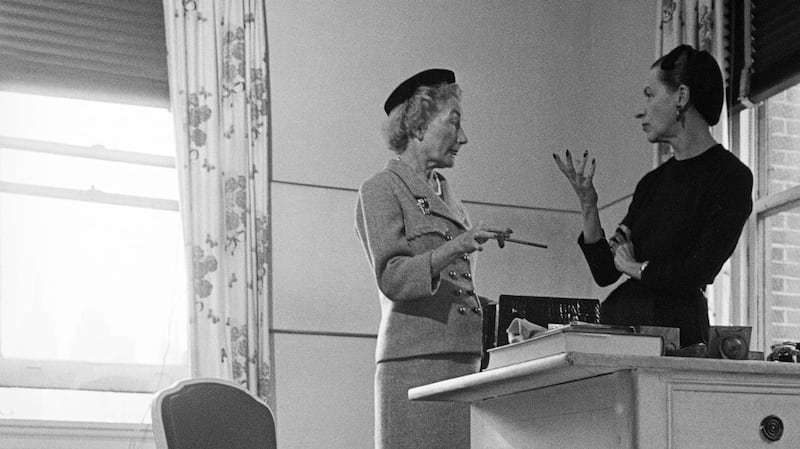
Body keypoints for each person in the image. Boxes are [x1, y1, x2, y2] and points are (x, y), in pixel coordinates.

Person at [554, 44, 753, 348]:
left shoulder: (731, 177)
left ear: (682, 97)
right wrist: (588, 205)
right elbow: (607, 271)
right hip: (621, 328)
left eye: (650, 94)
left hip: (678, 334)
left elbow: (699, 269)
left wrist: (636, 268)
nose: (641, 110)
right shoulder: (652, 182)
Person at [355, 68, 508, 449]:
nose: (464, 137)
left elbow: (457, 291)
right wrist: (458, 245)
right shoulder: (381, 189)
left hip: (465, 363)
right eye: (453, 122)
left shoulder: (451, 199)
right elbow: (393, 278)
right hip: (415, 368)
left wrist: (514, 317)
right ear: (418, 123)